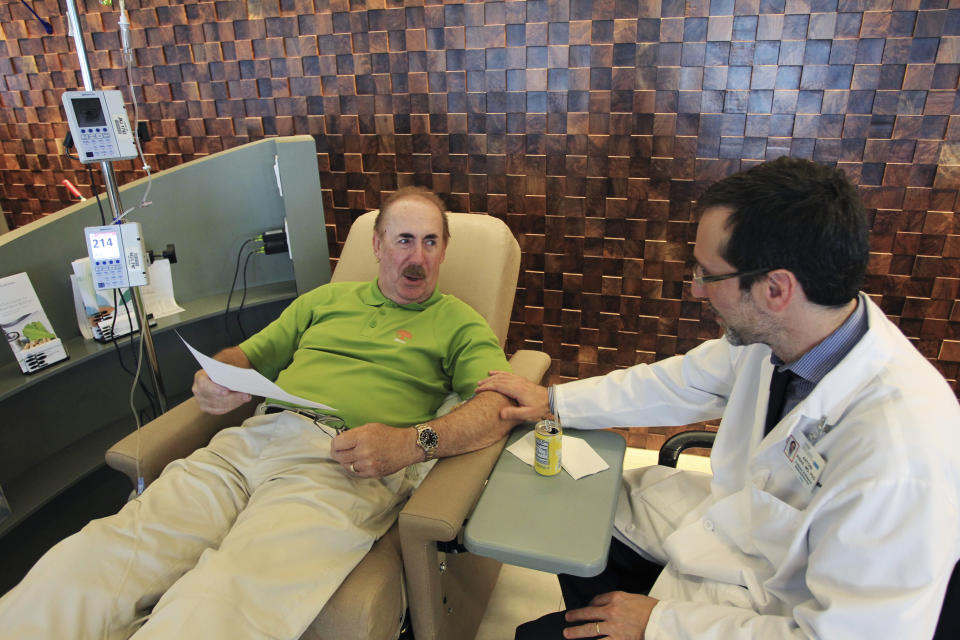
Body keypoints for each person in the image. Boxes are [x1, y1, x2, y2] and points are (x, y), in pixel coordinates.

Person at [0, 186, 517, 639]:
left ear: (444, 250)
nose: (417, 257)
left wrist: (410, 443)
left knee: (224, 597)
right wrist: (216, 379)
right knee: (96, 557)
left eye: (431, 242)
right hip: (247, 445)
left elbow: (496, 405)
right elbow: (243, 357)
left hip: (339, 467)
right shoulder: (323, 302)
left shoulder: (457, 323)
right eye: (404, 239)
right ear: (377, 245)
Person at [479, 157, 960, 640]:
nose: (694, 288)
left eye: (708, 274)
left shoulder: (900, 452)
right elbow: (682, 381)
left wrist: (660, 624)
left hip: (776, 609)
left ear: (775, 288)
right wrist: (555, 402)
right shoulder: (788, 334)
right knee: (578, 516)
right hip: (740, 534)